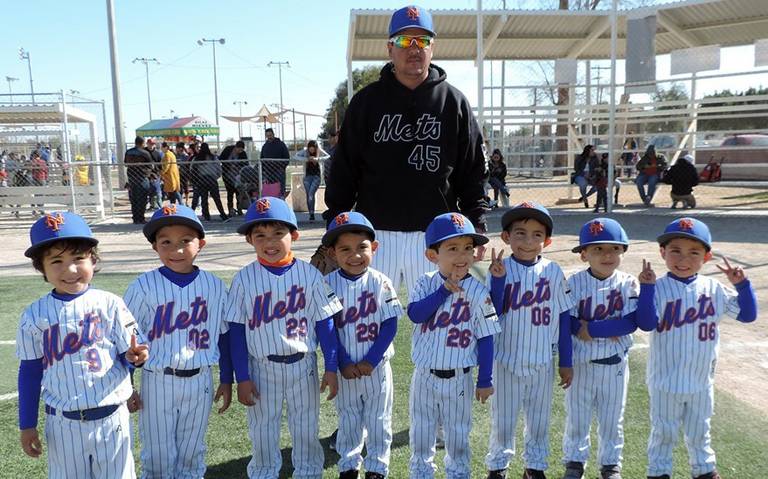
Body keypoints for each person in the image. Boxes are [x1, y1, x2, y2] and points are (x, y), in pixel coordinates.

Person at [324, 4, 489, 299]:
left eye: (422, 41)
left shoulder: (454, 102)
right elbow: (344, 169)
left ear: (432, 48)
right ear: (390, 48)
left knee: (440, 323)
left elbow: (473, 170)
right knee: (367, 320)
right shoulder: (366, 102)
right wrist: (337, 223)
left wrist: (476, 223)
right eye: (404, 41)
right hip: (375, 233)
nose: (414, 49)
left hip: (438, 234)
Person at [586, 217, 758, 479]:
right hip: (665, 380)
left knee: (700, 430)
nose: (683, 259)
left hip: (702, 380)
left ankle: (704, 469)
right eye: (675, 250)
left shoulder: (714, 288)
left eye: (694, 252)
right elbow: (645, 322)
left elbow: (747, 315)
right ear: (662, 253)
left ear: (707, 257)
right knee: (663, 432)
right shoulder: (658, 288)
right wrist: (646, 289)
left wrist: (742, 285)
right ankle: (659, 471)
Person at [16, 211, 149, 478]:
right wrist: (27, 424)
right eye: (56, 261)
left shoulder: (110, 303)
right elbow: (29, 373)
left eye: (78, 258)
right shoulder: (34, 315)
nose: (71, 269)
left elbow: (130, 352)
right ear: (41, 267)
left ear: (93, 259)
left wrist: (136, 357)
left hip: (113, 418)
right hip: (63, 423)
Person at [225, 197, 343, 479]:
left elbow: (325, 322)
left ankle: (309, 473)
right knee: (263, 429)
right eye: (260, 235)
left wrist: (331, 366)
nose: (270, 242)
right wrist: (241, 376)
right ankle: (264, 473)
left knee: (306, 427)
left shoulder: (310, 275)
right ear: (249, 241)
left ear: (294, 235)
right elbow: (237, 332)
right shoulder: (243, 279)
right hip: (261, 367)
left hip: (303, 365)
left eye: (279, 233)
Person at [123, 204, 233, 478]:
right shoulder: (143, 286)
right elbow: (125, 343)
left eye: (186, 241)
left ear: (201, 244)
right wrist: (128, 386)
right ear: (154, 247)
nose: (176, 250)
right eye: (166, 242)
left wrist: (227, 378)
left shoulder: (215, 286)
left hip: (200, 379)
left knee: (192, 452)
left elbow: (225, 336)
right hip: (158, 379)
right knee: (158, 455)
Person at [484, 202, 574, 479]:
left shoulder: (553, 271)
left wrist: (566, 362)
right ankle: (498, 466)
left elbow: (564, 318)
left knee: (539, 421)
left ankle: (534, 467)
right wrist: (498, 281)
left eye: (537, 235)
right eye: (520, 233)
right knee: (504, 420)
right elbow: (493, 314)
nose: (528, 241)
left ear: (547, 241)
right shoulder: (499, 268)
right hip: (506, 359)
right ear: (506, 237)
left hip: (542, 361)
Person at [406, 212, 500, 479]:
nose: (462, 256)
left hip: (459, 378)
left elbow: (486, 336)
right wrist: (444, 290)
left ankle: (458, 474)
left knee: (458, 434)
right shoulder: (426, 282)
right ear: (432, 255)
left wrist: (485, 379)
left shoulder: (479, 291)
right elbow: (416, 314)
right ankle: (420, 474)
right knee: (421, 432)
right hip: (424, 375)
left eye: (468, 248)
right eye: (452, 248)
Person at [562, 218, 657, 479]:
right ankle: (574, 462)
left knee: (612, 419)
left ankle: (610, 464)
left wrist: (592, 329)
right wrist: (609, 327)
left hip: (614, 365)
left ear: (622, 251)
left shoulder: (628, 282)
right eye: (597, 249)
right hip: (581, 364)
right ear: (583, 255)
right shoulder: (574, 282)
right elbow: (566, 320)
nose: (607, 255)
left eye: (613, 249)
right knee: (577, 418)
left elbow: (634, 323)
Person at [322, 212, 402, 479]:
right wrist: (342, 362)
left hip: (377, 368)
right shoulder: (328, 284)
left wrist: (372, 359)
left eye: (362, 248)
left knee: (380, 421)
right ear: (332, 253)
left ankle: (377, 469)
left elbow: (390, 324)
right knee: (348, 420)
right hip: (347, 371)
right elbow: (329, 329)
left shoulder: (381, 281)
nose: (354, 255)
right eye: (345, 249)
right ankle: (348, 466)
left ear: (374, 248)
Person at [191, 143, 228, 222]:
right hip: (212, 179)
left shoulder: (197, 158)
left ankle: (206, 216)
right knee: (217, 198)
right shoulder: (213, 158)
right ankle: (223, 215)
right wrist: (215, 177)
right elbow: (219, 169)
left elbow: (191, 169)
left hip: (201, 180)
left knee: (204, 199)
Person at [295, 140, 328, 221]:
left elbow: (328, 156)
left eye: (313, 148)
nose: (311, 150)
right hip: (307, 177)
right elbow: (296, 156)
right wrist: (306, 159)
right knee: (308, 195)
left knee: (310, 194)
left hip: (316, 177)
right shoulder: (305, 151)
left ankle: (312, 213)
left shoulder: (319, 150)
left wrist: (318, 159)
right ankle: (311, 214)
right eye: (310, 148)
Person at [125, 136, 154, 224]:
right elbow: (150, 165)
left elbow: (126, 163)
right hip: (142, 177)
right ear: (143, 143)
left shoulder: (128, 152)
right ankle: (141, 218)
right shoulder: (145, 153)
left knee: (134, 199)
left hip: (131, 177)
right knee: (142, 198)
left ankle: (135, 218)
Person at [219, 140, 249, 216]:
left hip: (238, 177)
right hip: (227, 175)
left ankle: (239, 209)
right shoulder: (228, 149)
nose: (240, 151)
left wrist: (238, 166)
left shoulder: (243, 154)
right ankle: (230, 210)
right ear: (236, 147)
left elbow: (246, 164)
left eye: (242, 150)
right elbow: (221, 159)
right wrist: (229, 165)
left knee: (239, 193)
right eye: (239, 149)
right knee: (230, 193)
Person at [260, 128, 291, 198]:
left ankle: (281, 202)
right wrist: (264, 170)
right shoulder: (265, 146)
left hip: (279, 172)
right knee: (270, 191)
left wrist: (281, 167)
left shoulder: (281, 144)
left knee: (281, 190)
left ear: (273, 134)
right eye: (267, 136)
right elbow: (262, 158)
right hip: (268, 173)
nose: (269, 137)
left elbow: (287, 157)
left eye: (270, 135)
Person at [146, 139, 164, 210]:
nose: (151, 145)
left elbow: (160, 166)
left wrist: (160, 174)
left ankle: (159, 206)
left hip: (155, 174)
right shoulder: (144, 152)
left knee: (157, 191)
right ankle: (152, 205)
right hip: (146, 174)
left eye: (153, 144)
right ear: (147, 144)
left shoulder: (157, 153)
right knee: (149, 191)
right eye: (150, 144)